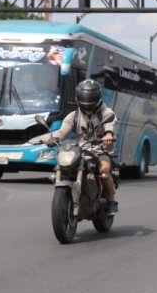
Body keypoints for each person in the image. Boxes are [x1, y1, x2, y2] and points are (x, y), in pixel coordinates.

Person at [36, 79, 118, 214]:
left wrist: (108, 135)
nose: (88, 107)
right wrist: (50, 138)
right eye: (85, 103)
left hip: (99, 150)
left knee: (104, 170)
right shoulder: (73, 116)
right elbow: (62, 132)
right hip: (80, 150)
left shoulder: (106, 113)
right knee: (64, 166)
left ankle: (111, 201)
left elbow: (110, 126)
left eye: (91, 103)